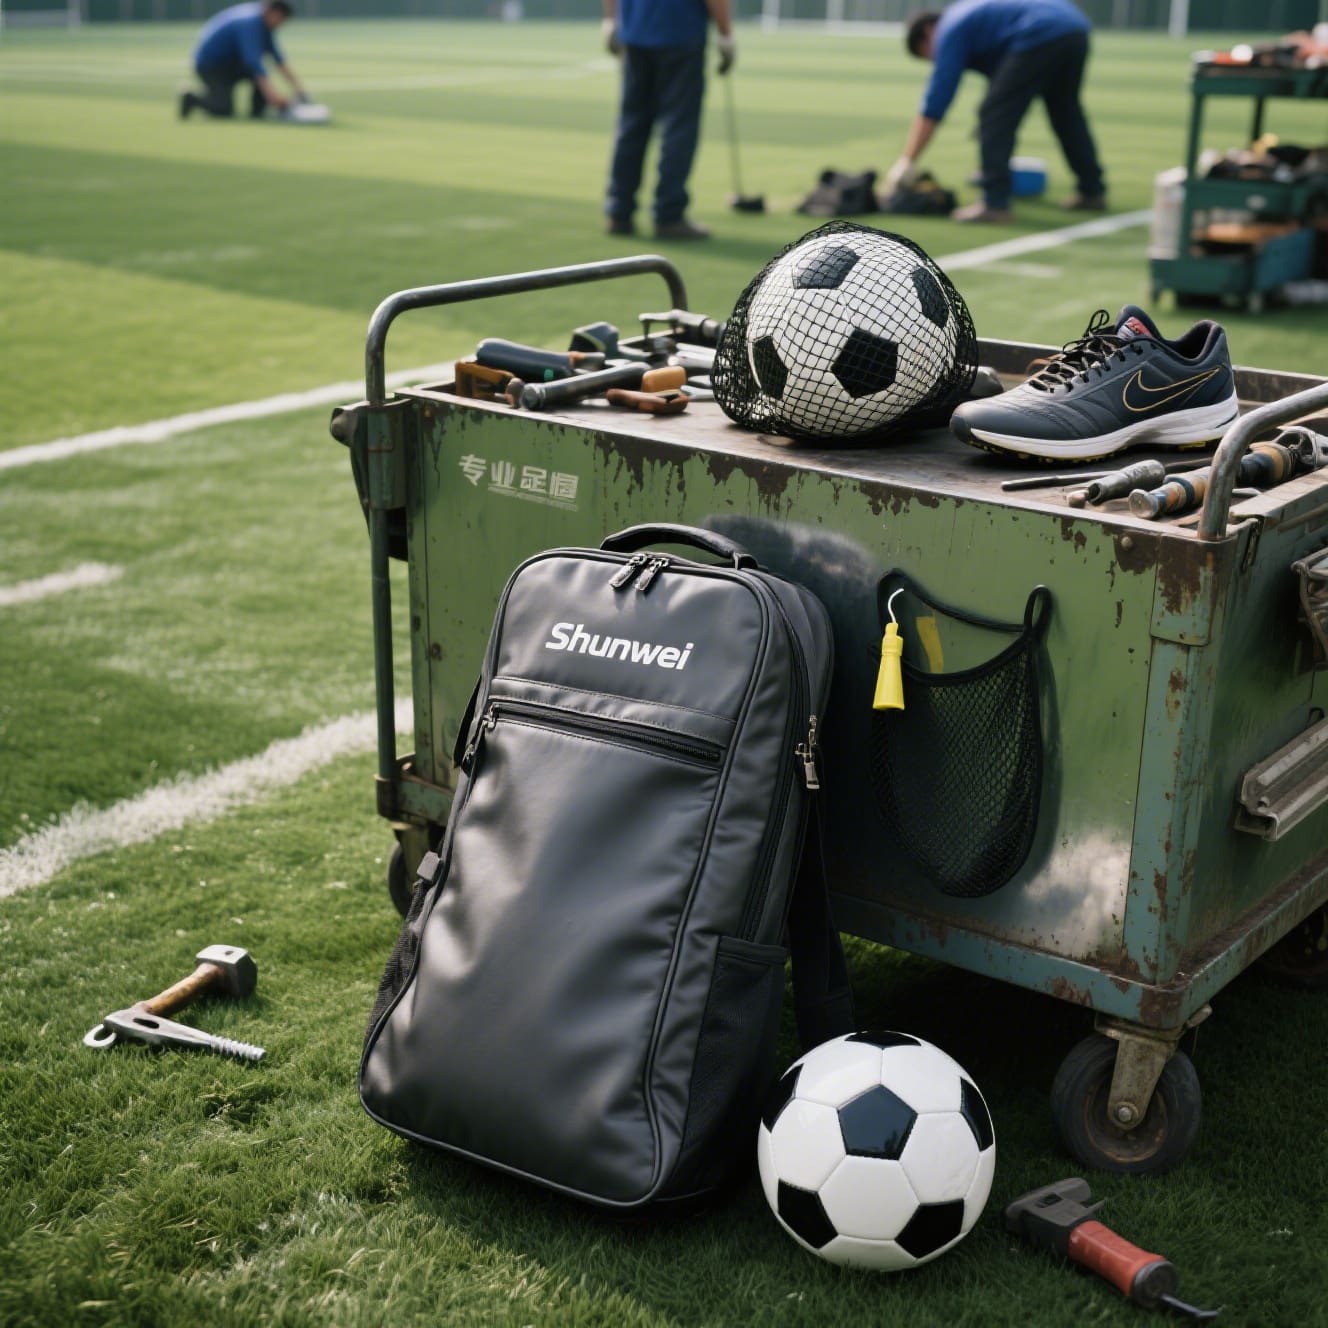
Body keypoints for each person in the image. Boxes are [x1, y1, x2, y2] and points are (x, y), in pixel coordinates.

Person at [885, 0, 1107, 223]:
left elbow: (937, 98)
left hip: (1040, 31)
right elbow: (1004, 80)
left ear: (929, 31)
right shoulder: (967, 16)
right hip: (1073, 27)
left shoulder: (949, 28)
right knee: (1066, 114)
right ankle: (1092, 191)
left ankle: (995, 203)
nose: (936, 60)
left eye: (931, 55)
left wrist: (908, 161)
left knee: (994, 115)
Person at [601, 0, 737, 240]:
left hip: (635, 33)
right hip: (680, 33)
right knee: (679, 128)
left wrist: (612, 19)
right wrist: (725, 33)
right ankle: (669, 215)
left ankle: (619, 212)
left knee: (631, 126)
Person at [179, 0, 308, 121]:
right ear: (272, 13)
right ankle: (191, 99)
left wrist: (300, 91)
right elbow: (254, 63)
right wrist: (275, 99)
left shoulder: (264, 25)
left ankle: (257, 112)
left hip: (230, 65)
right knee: (223, 108)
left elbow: (279, 60)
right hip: (211, 66)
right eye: (281, 19)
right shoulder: (250, 23)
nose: (281, 24)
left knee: (260, 75)